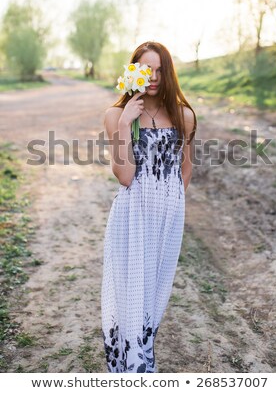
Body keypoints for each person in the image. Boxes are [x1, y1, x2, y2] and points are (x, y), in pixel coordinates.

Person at [101, 41, 197, 373]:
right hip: (131, 218)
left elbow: (186, 168)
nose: (153, 77)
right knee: (129, 300)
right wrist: (127, 123)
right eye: (145, 69)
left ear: (168, 73)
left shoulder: (183, 115)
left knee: (153, 301)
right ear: (133, 71)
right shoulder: (116, 115)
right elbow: (125, 175)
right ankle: (133, 371)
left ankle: (140, 361)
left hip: (167, 221)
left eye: (159, 69)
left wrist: (170, 203)